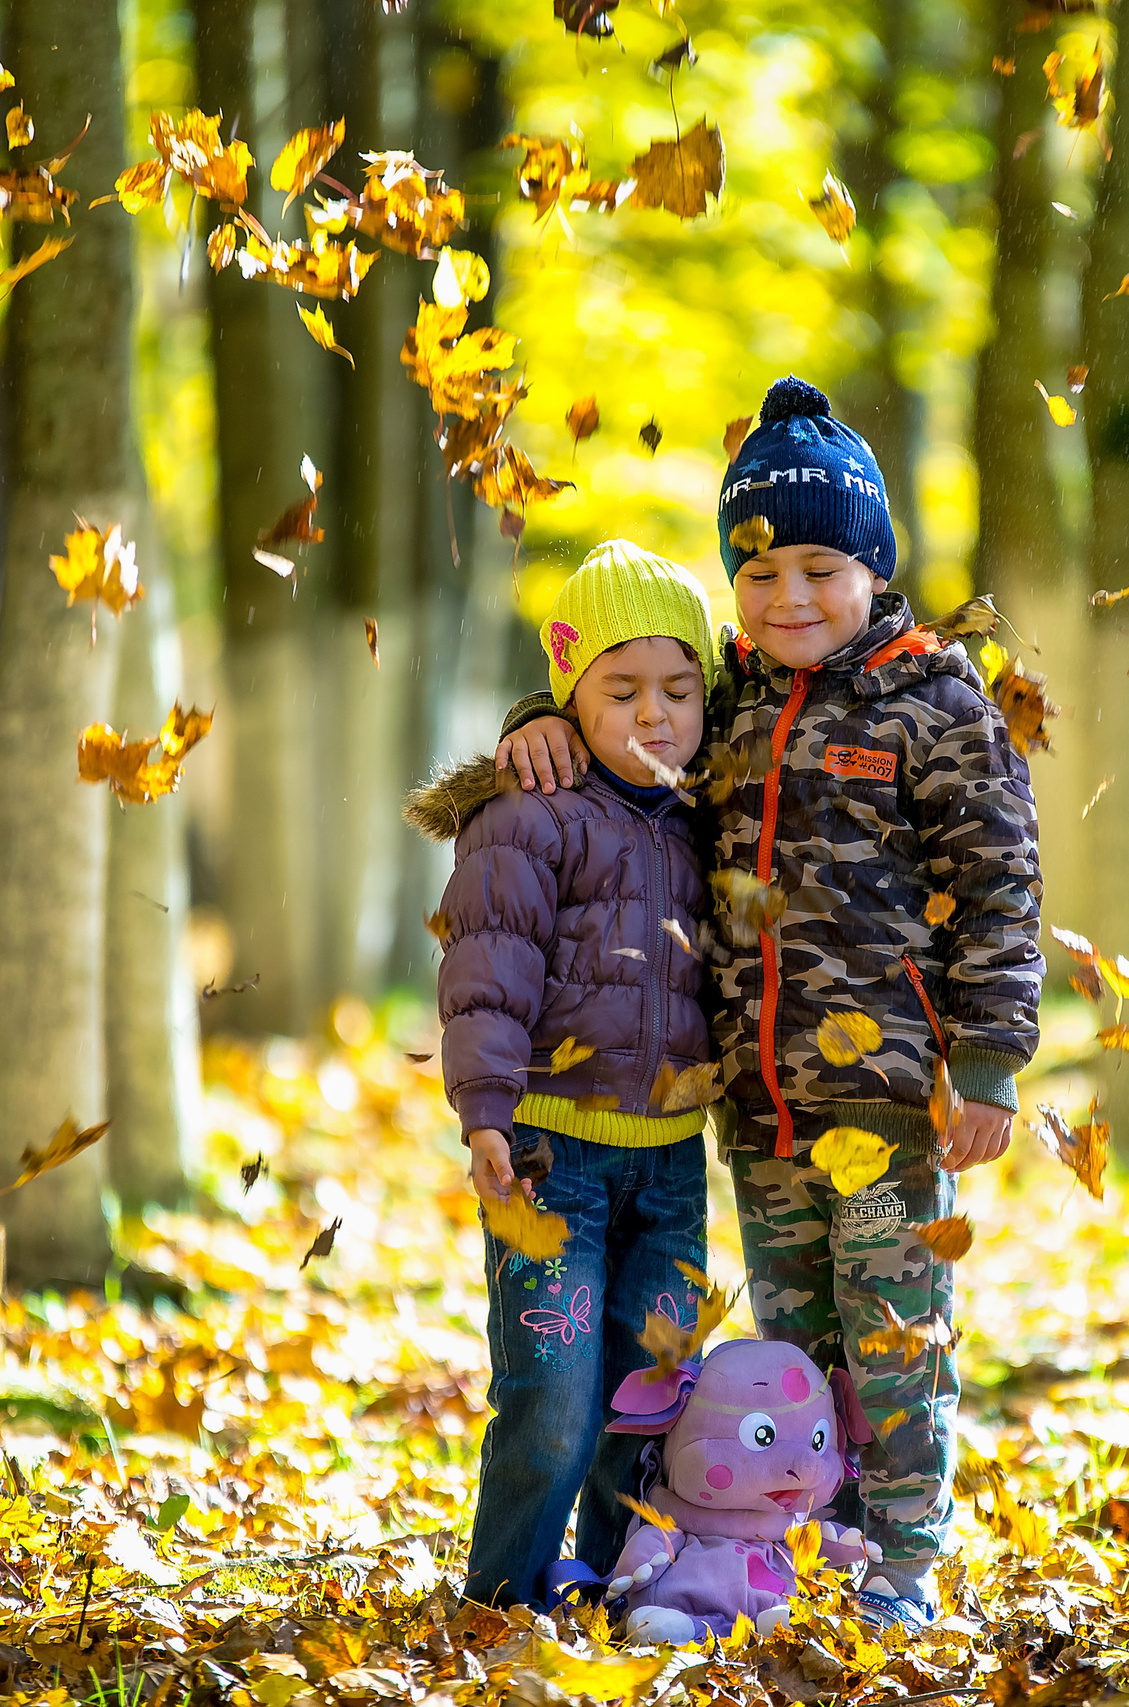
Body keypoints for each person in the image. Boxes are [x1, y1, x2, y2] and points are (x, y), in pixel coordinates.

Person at [493, 376, 1044, 1627]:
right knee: (797, 1360)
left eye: (818, 570)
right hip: (759, 1105)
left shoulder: (934, 702)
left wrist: (993, 1066)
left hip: (894, 1103)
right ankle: (811, 1542)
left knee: (895, 1347)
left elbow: (1001, 890)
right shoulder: (728, 697)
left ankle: (903, 1565)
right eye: (759, 573)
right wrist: (539, 717)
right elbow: (628, 708)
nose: (788, 598)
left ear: (873, 568)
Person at [408, 538, 723, 1610]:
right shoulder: (528, 813)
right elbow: (487, 966)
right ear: (567, 698)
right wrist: (486, 1110)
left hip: (671, 1167)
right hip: (552, 1159)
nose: (654, 714)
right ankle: (502, 1600)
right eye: (620, 689)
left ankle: (606, 1582)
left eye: (679, 690)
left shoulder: (709, 815)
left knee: (649, 1394)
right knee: (551, 1395)